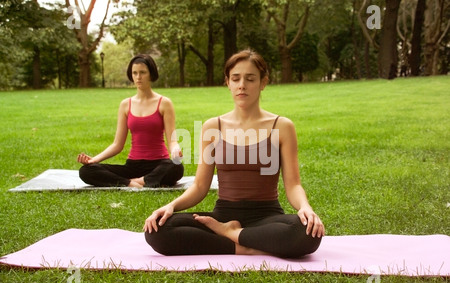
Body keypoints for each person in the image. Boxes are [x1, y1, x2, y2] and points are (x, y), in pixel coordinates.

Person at [143, 49, 324, 258]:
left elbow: (293, 185)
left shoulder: (282, 126)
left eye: (250, 79)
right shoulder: (213, 127)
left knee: (307, 233)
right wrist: (170, 206)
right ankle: (242, 245)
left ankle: (233, 235)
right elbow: (201, 186)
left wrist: (305, 208)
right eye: (235, 79)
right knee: (157, 229)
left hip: (267, 216)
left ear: (263, 82)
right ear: (227, 82)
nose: (242, 85)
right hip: (223, 216)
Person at [77, 54, 184, 188]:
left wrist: (176, 149)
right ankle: (131, 182)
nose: (138, 77)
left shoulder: (164, 103)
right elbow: (117, 144)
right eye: (135, 73)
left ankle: (139, 182)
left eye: (142, 72)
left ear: (151, 74)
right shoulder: (125, 105)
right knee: (86, 171)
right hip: (132, 166)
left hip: (159, 164)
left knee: (177, 166)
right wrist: (94, 160)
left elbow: (172, 140)